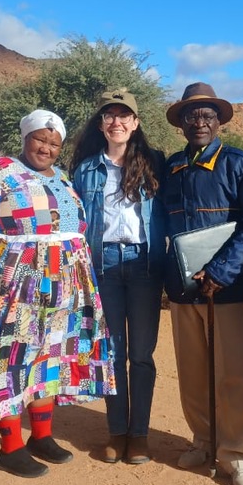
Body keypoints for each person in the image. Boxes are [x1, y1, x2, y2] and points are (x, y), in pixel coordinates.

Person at [0, 109, 115, 478]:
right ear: (24, 137)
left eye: (54, 143)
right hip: (15, 279)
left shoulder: (62, 177)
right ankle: (9, 446)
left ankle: (40, 436)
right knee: (12, 356)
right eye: (40, 139)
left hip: (65, 284)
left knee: (49, 356)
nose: (46, 148)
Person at [162, 82, 243, 485]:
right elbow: (162, 228)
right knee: (192, 370)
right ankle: (202, 441)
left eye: (207, 115)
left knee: (231, 374)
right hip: (183, 288)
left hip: (222, 289)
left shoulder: (241, 165)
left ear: (219, 120)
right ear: (182, 124)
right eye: (192, 116)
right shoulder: (171, 167)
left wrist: (221, 271)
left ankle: (236, 453)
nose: (200, 122)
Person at [71, 88, 166, 465]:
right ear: (101, 124)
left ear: (136, 122)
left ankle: (138, 434)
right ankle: (117, 431)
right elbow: (77, 222)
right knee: (112, 353)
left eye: (124, 115)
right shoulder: (85, 169)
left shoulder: (155, 163)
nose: (117, 122)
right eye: (110, 115)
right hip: (104, 265)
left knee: (141, 355)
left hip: (144, 264)